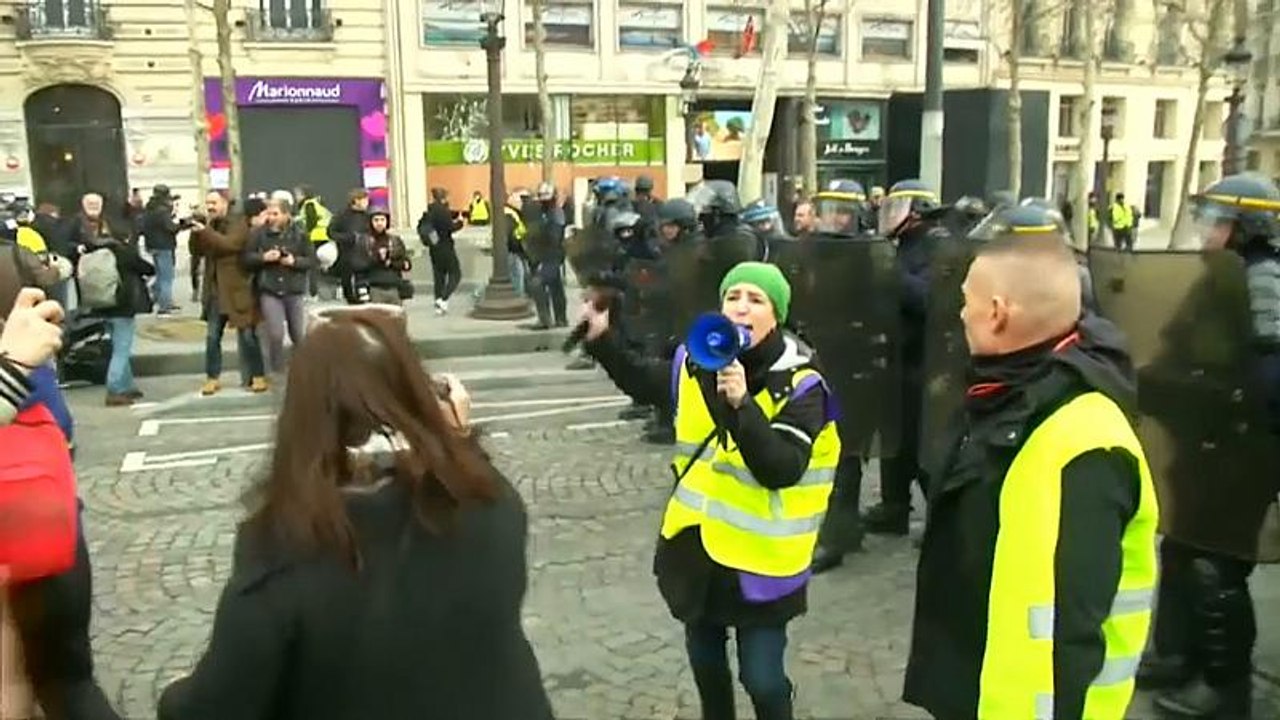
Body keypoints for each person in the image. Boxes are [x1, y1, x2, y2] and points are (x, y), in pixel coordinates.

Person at [156, 305, 552, 720]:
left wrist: (173, 695)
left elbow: (215, 707)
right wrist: (454, 439)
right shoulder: (493, 501)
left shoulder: (284, 549)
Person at [903, 235, 1159, 720]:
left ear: (997, 313)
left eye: (966, 301)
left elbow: (1072, 630)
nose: (961, 314)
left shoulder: (1084, 440)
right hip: (978, 687)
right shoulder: (1004, 391)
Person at [581, 261, 840, 720]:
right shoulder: (696, 361)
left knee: (761, 678)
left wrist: (741, 405)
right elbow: (646, 381)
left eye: (755, 300)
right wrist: (603, 339)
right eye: (732, 297)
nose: (740, 307)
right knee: (705, 660)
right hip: (698, 549)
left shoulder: (803, 384)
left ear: (776, 315)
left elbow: (781, 468)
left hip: (763, 563)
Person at [190, 192, 268, 395]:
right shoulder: (210, 225)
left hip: (236, 290)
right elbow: (196, 251)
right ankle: (212, 378)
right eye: (208, 203)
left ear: (225, 203)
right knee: (212, 337)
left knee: (248, 336)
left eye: (214, 203)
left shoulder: (238, 223)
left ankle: (258, 375)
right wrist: (196, 232)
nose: (210, 207)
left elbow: (229, 245)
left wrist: (205, 231)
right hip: (215, 291)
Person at [243, 198, 313, 376]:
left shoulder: (300, 233)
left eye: (276, 214)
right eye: (269, 213)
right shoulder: (258, 234)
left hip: (294, 289)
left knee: (298, 334)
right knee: (275, 333)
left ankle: (302, 369)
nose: (271, 218)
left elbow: (312, 260)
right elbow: (246, 258)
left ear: (286, 214)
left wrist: (294, 261)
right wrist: (263, 258)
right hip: (270, 288)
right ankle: (277, 369)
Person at [419, 187, 464, 315]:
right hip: (446, 247)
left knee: (439, 277)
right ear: (444, 197)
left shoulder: (429, 211)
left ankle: (438, 302)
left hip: (434, 247)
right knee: (456, 274)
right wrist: (460, 223)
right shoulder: (443, 211)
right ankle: (444, 298)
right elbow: (450, 228)